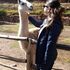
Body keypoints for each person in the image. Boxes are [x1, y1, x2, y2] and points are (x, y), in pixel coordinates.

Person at [26, 0, 64, 70]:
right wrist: (29, 16)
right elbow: (39, 24)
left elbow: (50, 44)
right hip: (41, 54)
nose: (43, 8)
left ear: (50, 9)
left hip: (46, 57)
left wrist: (46, 63)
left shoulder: (55, 23)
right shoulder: (48, 20)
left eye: (44, 6)